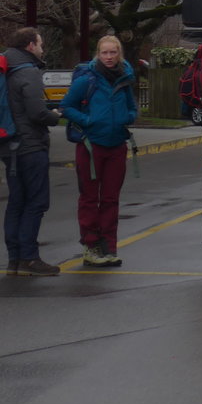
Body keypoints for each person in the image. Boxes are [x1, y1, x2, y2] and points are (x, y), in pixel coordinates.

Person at [61, 35, 139, 268]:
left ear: (119, 54)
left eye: (112, 53)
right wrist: (88, 121)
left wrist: (129, 117)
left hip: (116, 145)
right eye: (104, 53)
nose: (108, 57)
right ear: (98, 53)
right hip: (91, 146)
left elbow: (132, 107)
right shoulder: (87, 79)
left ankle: (109, 247)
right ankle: (92, 247)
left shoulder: (125, 78)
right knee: (89, 197)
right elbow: (66, 106)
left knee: (111, 199)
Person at [3, 27, 63, 277]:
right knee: (36, 202)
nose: (42, 48)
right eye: (40, 44)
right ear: (30, 45)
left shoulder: (7, 69)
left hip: (9, 146)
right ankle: (30, 257)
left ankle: (14, 260)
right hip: (30, 146)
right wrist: (55, 117)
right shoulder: (28, 72)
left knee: (16, 202)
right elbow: (37, 112)